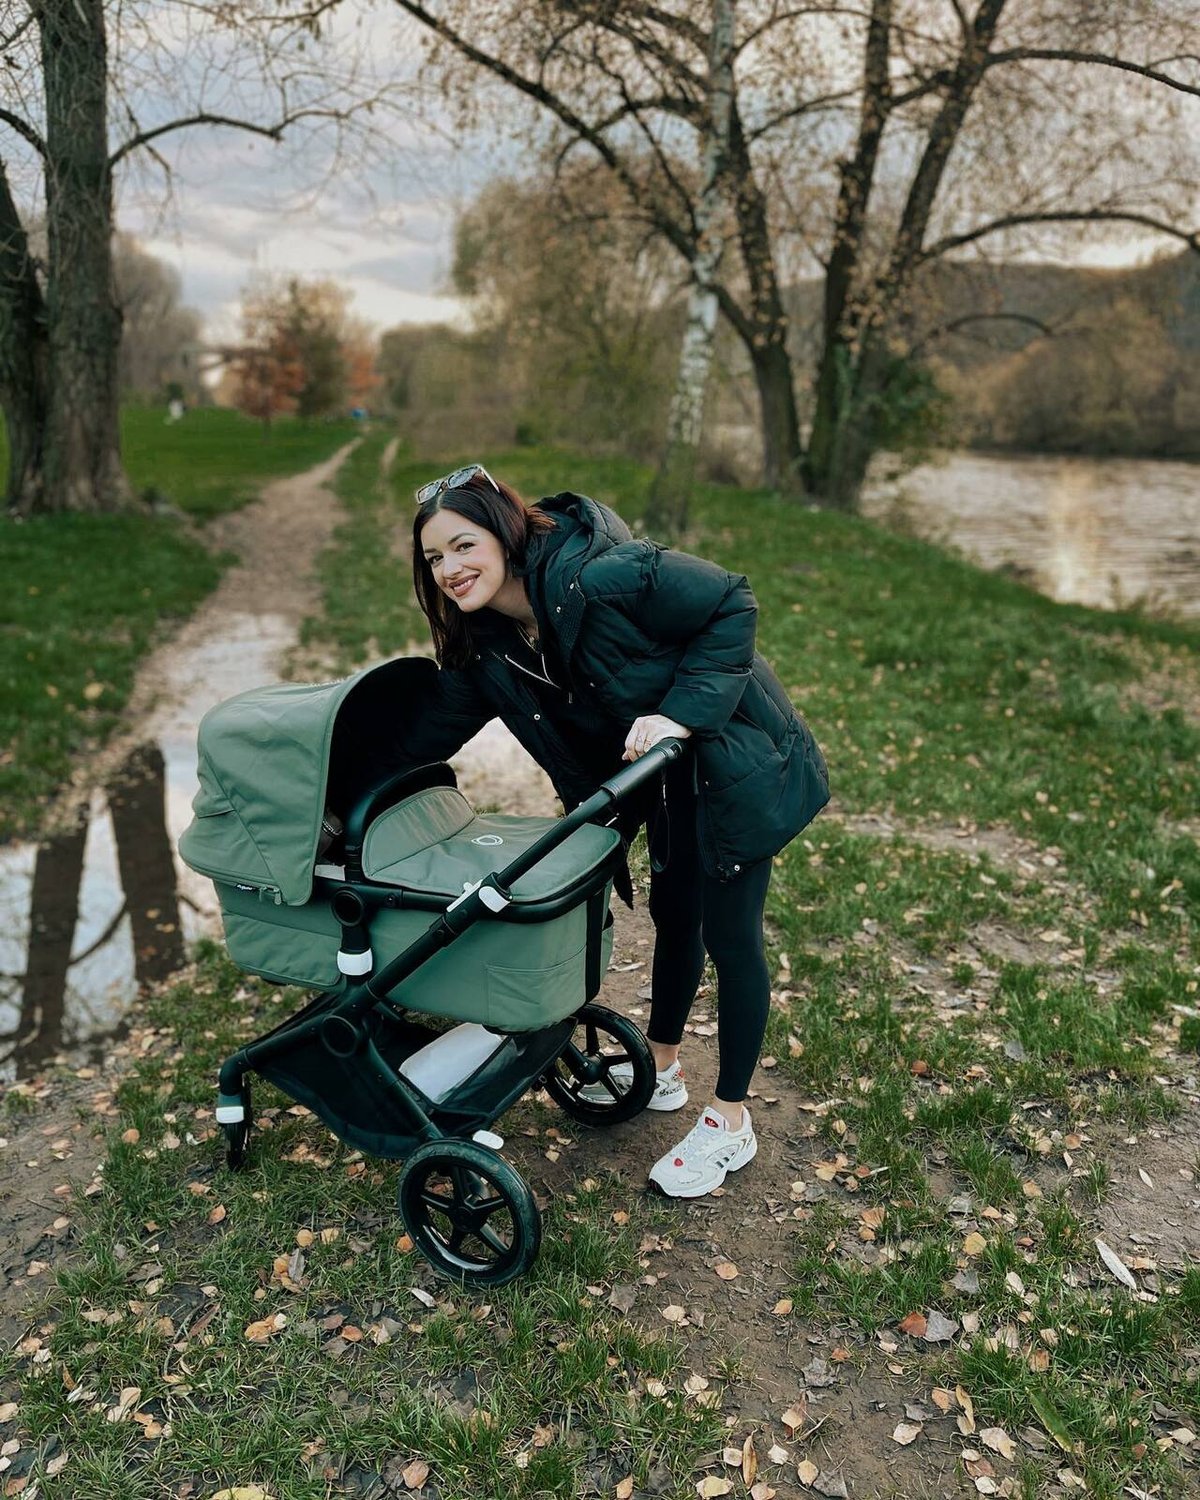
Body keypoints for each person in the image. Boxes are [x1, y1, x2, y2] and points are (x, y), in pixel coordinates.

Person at [384, 463, 829, 1198]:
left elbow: (730, 600)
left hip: (731, 756)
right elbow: (431, 728)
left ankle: (731, 1121)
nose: (451, 570)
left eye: (463, 546)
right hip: (662, 774)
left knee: (731, 935)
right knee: (672, 914)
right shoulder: (493, 641)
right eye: (434, 559)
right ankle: (663, 1060)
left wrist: (681, 712)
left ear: (502, 530)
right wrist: (349, 775)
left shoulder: (602, 575)